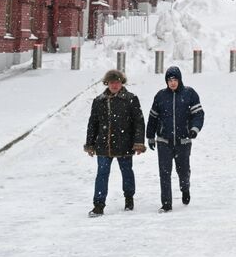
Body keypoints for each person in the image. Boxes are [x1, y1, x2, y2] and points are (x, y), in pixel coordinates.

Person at [84, 68, 146, 217]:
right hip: (104, 145)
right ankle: (98, 204)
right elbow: (93, 124)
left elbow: (139, 122)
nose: (114, 85)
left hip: (125, 143)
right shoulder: (99, 101)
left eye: (117, 82)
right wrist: (90, 144)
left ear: (121, 83)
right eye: (112, 82)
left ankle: (129, 197)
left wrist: (138, 142)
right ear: (107, 83)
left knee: (127, 172)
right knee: (102, 174)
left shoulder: (131, 99)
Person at [145, 65, 204, 212]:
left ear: (180, 80)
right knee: (164, 173)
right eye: (169, 80)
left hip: (183, 141)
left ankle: (185, 188)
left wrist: (194, 130)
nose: (172, 83)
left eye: (175, 79)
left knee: (183, 171)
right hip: (164, 141)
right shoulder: (160, 96)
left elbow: (199, 114)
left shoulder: (190, 94)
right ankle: (166, 204)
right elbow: (152, 118)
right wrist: (150, 136)